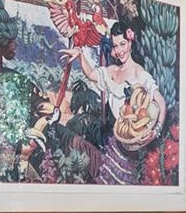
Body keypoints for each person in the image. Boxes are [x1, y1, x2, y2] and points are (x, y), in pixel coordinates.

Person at [54, 17, 166, 185]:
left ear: (130, 43)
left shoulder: (139, 73)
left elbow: (161, 103)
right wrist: (80, 56)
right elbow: (92, 75)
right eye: (115, 45)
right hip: (114, 141)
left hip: (132, 144)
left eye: (122, 44)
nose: (119, 50)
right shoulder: (113, 70)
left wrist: (155, 131)